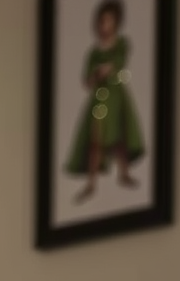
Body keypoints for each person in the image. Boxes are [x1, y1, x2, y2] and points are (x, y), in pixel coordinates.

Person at [65, 1, 145, 204]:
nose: (104, 26)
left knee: (119, 137)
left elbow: (120, 64)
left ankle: (123, 173)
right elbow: (86, 80)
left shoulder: (121, 44)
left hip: (117, 96)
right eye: (101, 22)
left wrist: (109, 69)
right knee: (96, 139)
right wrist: (94, 76)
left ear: (116, 23)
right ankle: (91, 183)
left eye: (108, 21)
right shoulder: (94, 52)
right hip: (100, 98)